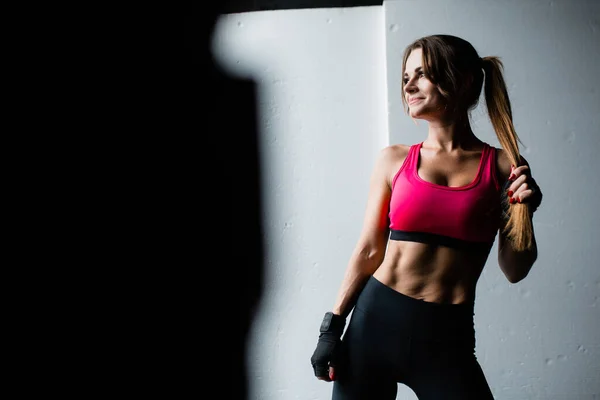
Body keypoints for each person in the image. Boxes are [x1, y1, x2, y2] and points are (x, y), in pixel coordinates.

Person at [310, 34, 543, 400]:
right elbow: (369, 250)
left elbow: (515, 270)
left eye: (422, 74)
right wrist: (331, 327)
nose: (409, 86)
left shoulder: (504, 167)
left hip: (446, 339)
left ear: (460, 80)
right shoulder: (393, 159)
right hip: (373, 325)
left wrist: (522, 213)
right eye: (406, 78)